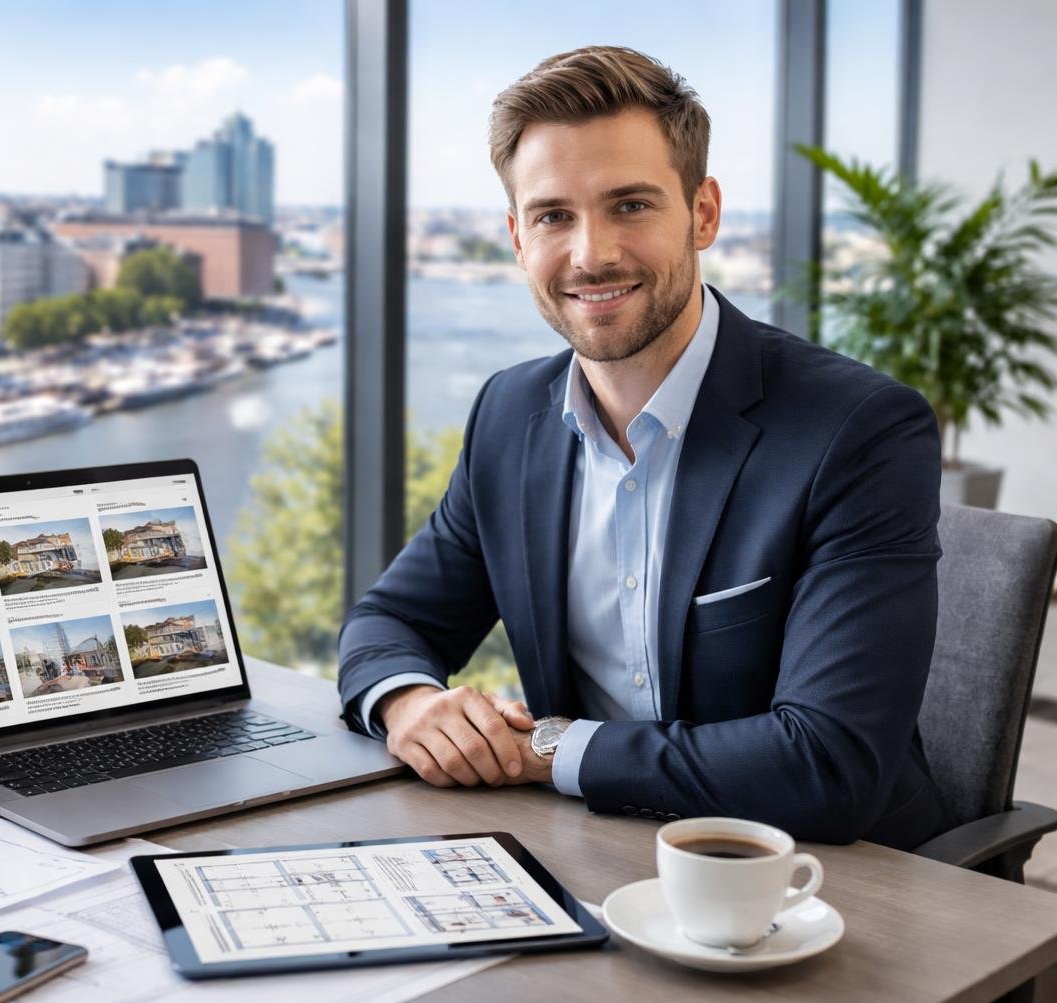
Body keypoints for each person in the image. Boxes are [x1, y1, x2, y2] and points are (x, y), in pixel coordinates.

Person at [336, 46, 949, 850]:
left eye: (629, 205)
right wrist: (411, 704)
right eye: (554, 215)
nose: (592, 253)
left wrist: (539, 748)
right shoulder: (508, 414)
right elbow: (389, 620)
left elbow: (827, 766)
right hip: (592, 847)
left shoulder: (858, 430)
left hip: (825, 879)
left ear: (703, 213)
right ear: (518, 238)